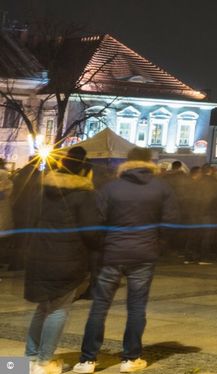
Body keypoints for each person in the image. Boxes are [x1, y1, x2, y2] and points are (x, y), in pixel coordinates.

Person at [74, 147, 179, 374]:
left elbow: (96, 221)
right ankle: (130, 358)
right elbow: (171, 222)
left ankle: (87, 360)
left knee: (99, 307)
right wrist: (158, 244)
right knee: (136, 307)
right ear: (149, 162)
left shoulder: (111, 188)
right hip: (144, 254)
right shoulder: (161, 188)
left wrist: (102, 245)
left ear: (127, 162)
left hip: (112, 253)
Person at [25, 147, 101, 374]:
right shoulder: (83, 194)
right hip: (67, 258)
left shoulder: (44, 190)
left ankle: (29, 359)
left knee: (43, 308)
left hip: (40, 254)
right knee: (58, 309)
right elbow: (91, 232)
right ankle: (44, 362)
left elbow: (31, 219)